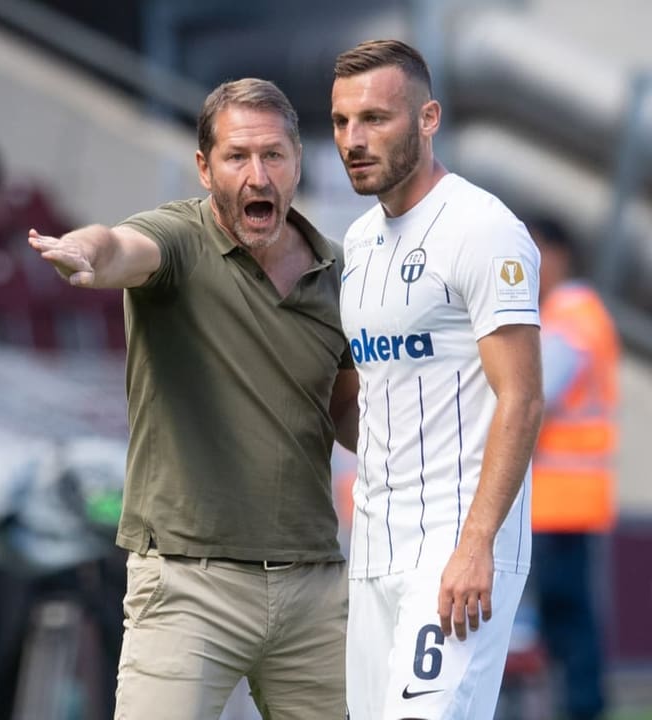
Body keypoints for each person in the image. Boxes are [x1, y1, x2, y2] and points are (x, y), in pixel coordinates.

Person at [28, 78, 358, 719]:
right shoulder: (178, 240)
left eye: (273, 156)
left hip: (314, 583)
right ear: (205, 168)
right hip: (187, 585)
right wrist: (85, 252)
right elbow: (122, 247)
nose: (256, 174)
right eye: (237, 157)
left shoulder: (342, 272)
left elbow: (348, 414)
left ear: (297, 163)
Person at [329, 39, 545, 719]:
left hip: (458, 546)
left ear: (428, 119)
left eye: (376, 119)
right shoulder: (358, 243)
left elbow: (524, 396)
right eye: (340, 122)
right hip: (373, 545)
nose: (354, 140)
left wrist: (476, 543)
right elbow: (364, 403)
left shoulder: (483, 230)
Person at [525, 216, 619, 720]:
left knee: (567, 620)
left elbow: (533, 393)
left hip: (564, 504)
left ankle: (581, 708)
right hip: (564, 502)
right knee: (567, 619)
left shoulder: (571, 317)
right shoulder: (573, 315)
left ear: (556, 255)